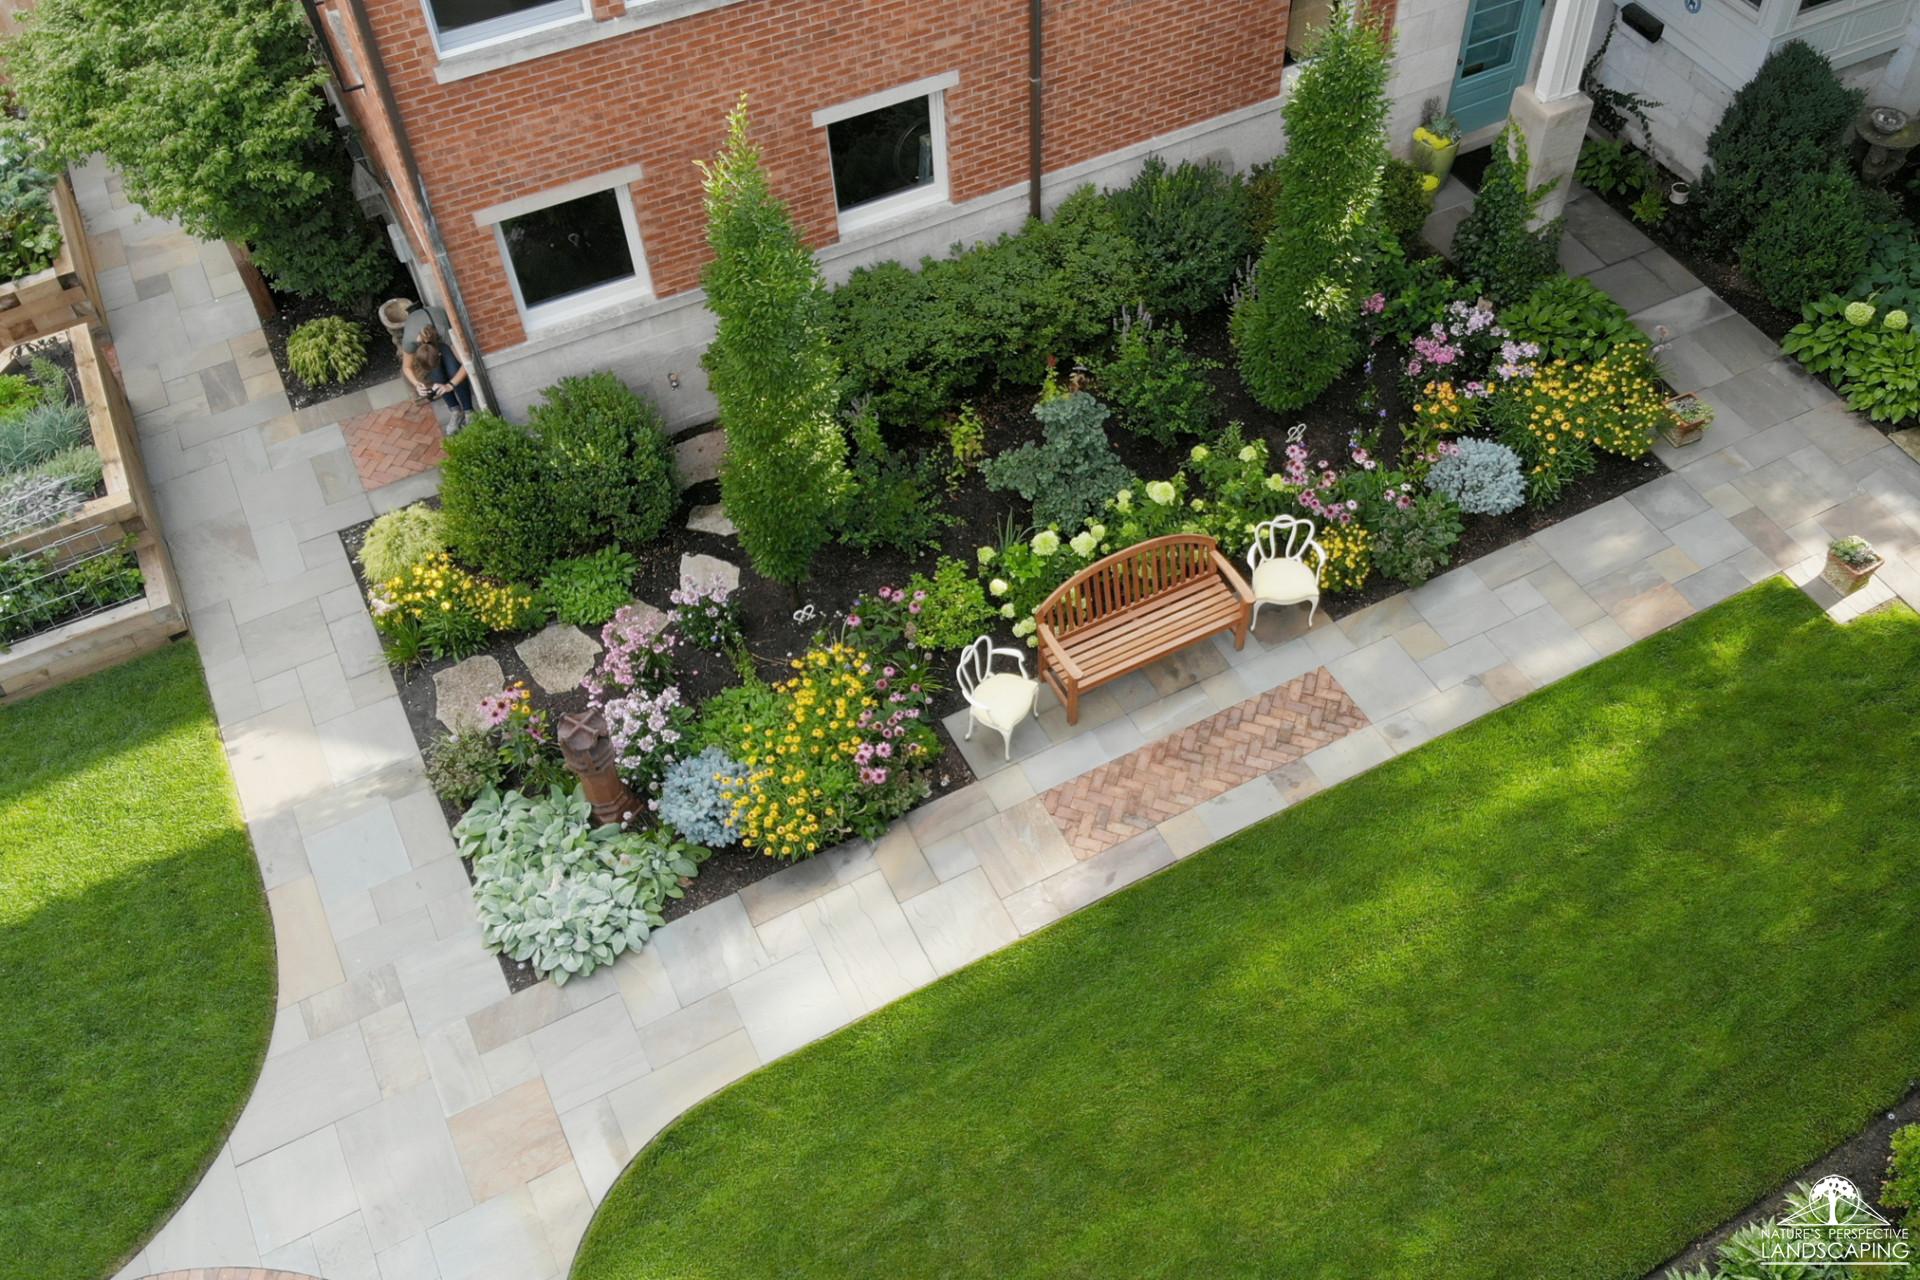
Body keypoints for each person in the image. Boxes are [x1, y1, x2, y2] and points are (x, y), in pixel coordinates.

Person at [399, 303, 474, 434]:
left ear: (439, 354)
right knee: (437, 377)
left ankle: (469, 412)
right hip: (422, 328)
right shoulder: (410, 341)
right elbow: (406, 367)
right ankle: (456, 411)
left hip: (439, 328)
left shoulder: (444, 333)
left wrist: (450, 385)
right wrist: (417, 384)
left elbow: (466, 363)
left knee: (454, 369)